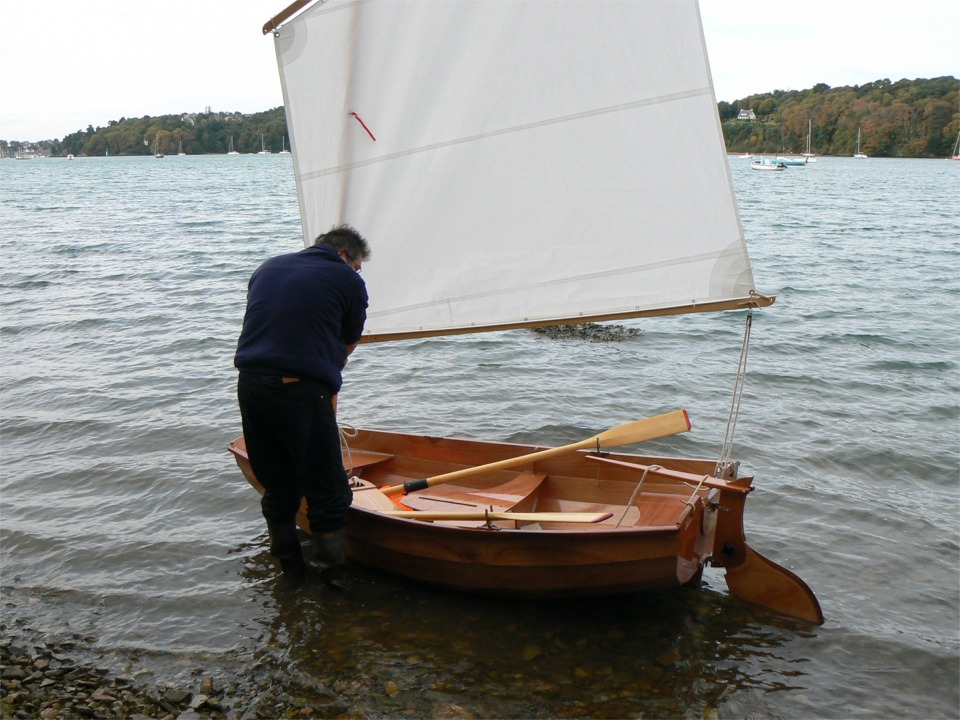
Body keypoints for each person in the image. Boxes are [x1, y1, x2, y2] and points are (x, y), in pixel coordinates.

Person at [234, 224, 370, 588]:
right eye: (358, 266)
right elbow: (347, 343)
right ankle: (334, 581)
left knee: (278, 482)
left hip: (250, 385)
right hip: (299, 391)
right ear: (345, 256)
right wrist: (327, 385)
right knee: (329, 489)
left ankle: (290, 573)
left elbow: (271, 325)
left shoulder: (268, 267)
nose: (357, 274)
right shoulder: (348, 280)